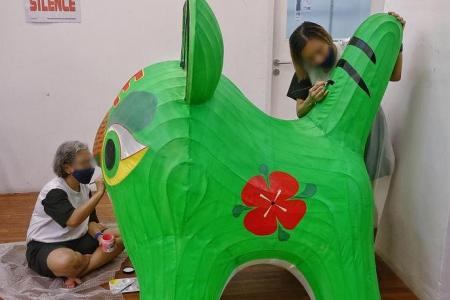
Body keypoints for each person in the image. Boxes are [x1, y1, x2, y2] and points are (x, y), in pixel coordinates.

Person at [287, 12, 405, 224]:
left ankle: (365, 235)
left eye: (319, 51)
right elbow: (300, 111)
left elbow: (394, 76)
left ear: (326, 38)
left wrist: (396, 40)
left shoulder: (353, 51)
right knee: (334, 185)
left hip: (366, 127)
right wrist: (311, 100)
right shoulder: (306, 71)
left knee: (366, 187)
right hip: (329, 137)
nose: (318, 59)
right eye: (310, 58)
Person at [25, 141, 124, 288]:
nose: (90, 167)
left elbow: (91, 222)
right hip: (45, 245)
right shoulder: (54, 191)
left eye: (89, 162)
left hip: (77, 238)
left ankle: (80, 269)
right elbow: (73, 221)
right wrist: (99, 194)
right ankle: (84, 263)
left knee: (122, 238)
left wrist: (99, 237)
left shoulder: (84, 188)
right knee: (65, 262)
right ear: (67, 167)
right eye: (84, 163)